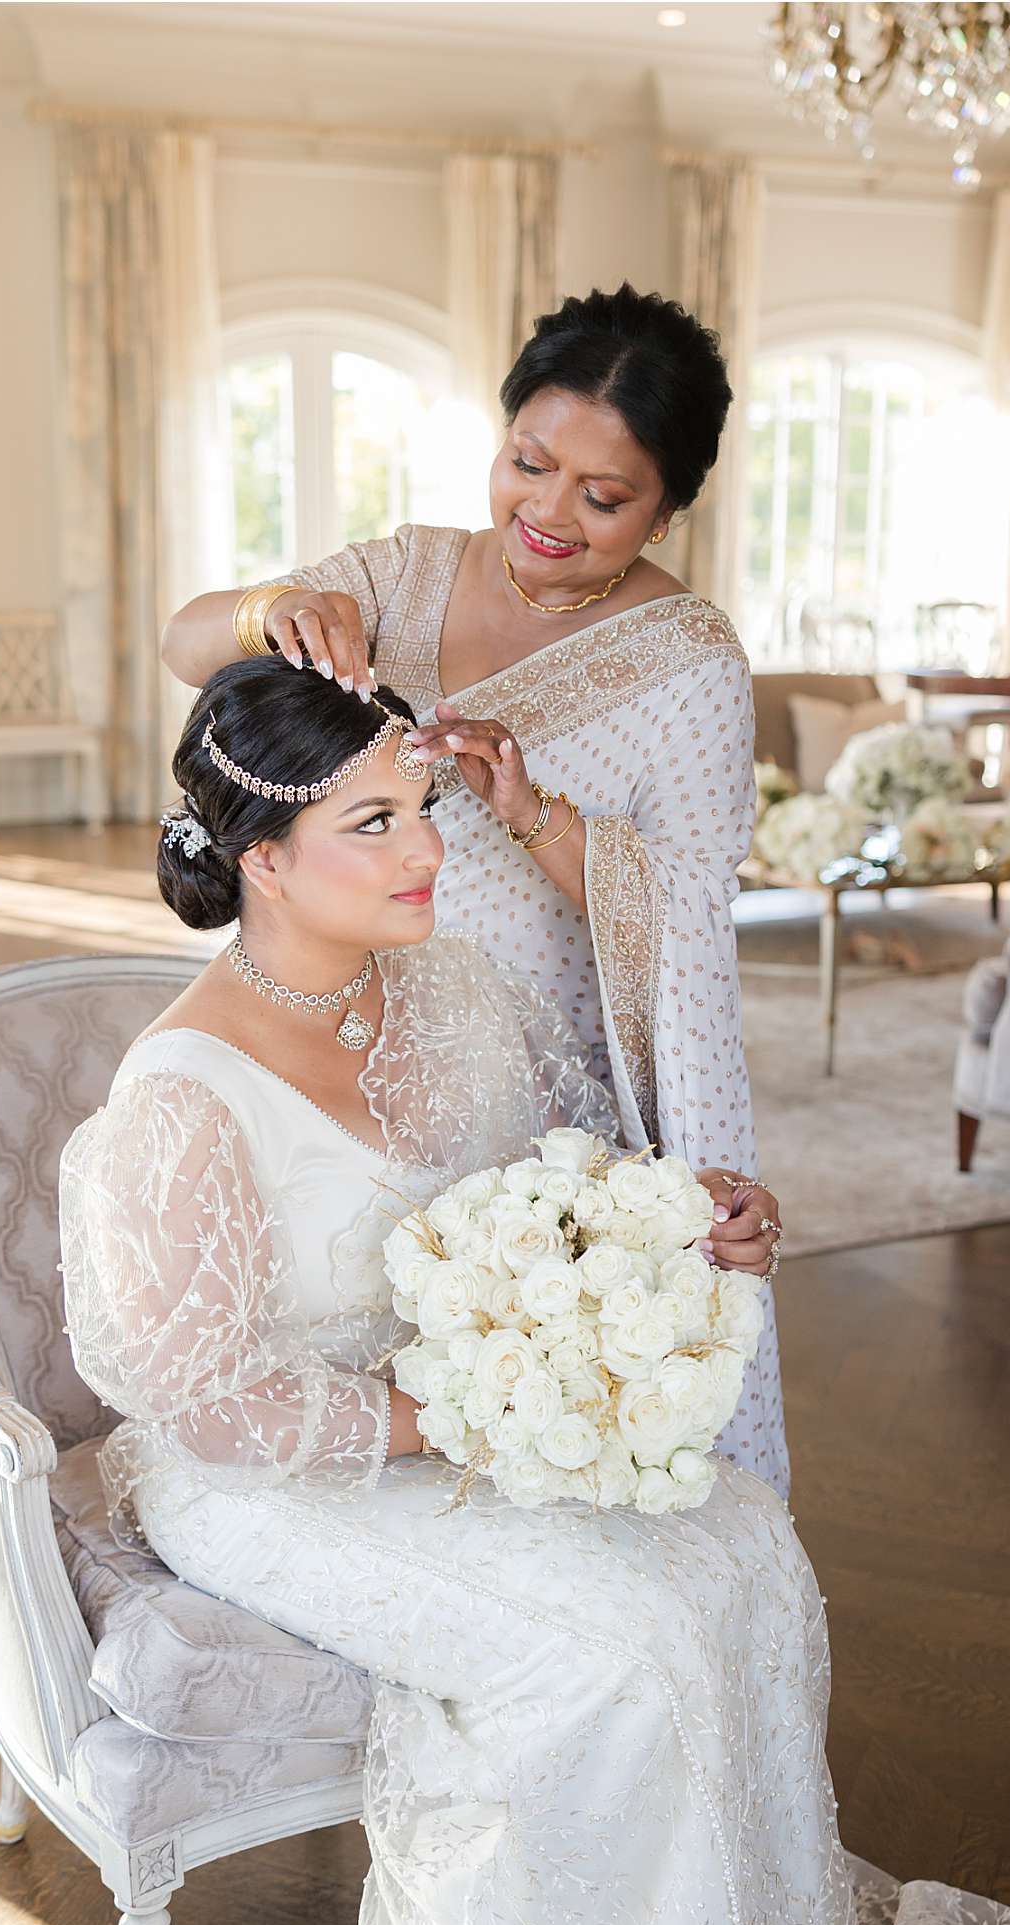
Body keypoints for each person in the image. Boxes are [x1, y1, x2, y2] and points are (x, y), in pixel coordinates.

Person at [58, 658, 1010, 1925]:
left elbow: (560, 1182)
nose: (427, 852)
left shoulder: (448, 991)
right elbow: (205, 1399)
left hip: (463, 1405)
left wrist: (680, 1221)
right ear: (262, 858)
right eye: (375, 824)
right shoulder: (178, 1093)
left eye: (425, 809)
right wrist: (450, 1414)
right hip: (275, 1471)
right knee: (612, 1648)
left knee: (740, 1542)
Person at [162, 284, 789, 1498]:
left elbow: (689, 918)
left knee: (524, 1358)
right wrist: (268, 610)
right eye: (527, 463)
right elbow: (191, 646)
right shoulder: (403, 575)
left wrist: (533, 814)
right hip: (333, 1013)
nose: (546, 514)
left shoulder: (687, 663)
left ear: (668, 508)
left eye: (602, 499)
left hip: (531, 1074)